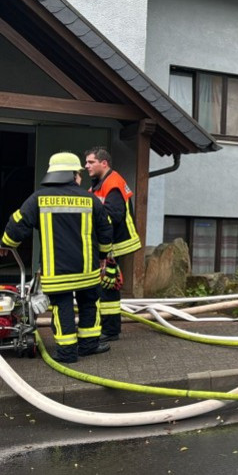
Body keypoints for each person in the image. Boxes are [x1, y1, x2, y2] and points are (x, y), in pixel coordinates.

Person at [0, 152, 113, 363]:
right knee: (89, 304)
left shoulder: (39, 199)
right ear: (70, 174)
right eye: (78, 173)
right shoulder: (90, 200)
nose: (80, 176)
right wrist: (103, 257)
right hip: (87, 270)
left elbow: (17, 224)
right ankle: (88, 346)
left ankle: (67, 353)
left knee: (63, 307)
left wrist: (6, 244)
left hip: (58, 272)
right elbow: (106, 229)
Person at [84, 146, 142, 342]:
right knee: (106, 286)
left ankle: (109, 330)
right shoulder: (100, 183)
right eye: (86, 162)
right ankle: (107, 327)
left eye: (91, 162)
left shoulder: (113, 183)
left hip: (114, 244)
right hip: (109, 243)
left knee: (108, 286)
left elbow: (113, 216)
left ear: (104, 163)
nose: (86, 166)